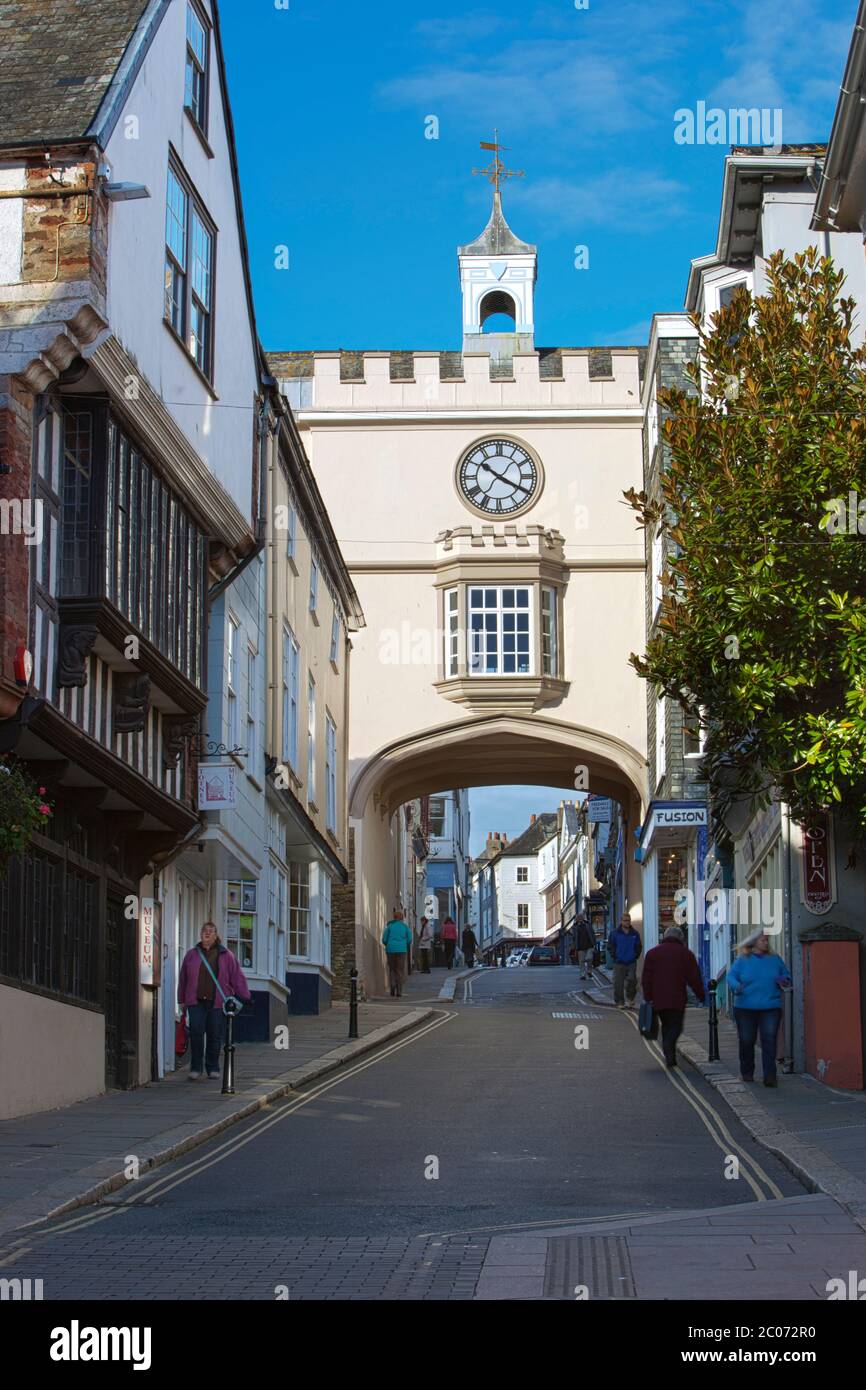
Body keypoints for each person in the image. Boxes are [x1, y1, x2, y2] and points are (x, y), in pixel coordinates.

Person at [177, 922, 252, 1080]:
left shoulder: (226, 955)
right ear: (200, 934)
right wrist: (181, 999)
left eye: (211, 931)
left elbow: (237, 976)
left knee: (214, 1035)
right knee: (196, 1034)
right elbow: (183, 978)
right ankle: (196, 1068)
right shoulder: (191, 955)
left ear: (216, 935)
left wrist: (245, 996)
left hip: (217, 1002)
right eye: (204, 931)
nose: (207, 933)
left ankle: (213, 1067)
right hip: (195, 1001)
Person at [728, 930, 792, 1088]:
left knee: (769, 1040)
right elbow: (731, 977)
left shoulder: (775, 959)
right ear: (754, 942)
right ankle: (747, 1073)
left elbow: (786, 975)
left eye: (767, 940)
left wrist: (783, 980)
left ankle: (770, 1076)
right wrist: (737, 986)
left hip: (770, 1006)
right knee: (747, 1040)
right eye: (763, 940)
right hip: (745, 1007)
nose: (766, 942)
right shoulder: (743, 960)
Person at [641, 925, 705, 1067]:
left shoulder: (652, 953)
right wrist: (701, 995)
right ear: (680, 938)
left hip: (658, 999)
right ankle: (669, 1047)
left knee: (666, 1025)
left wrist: (648, 996)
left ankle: (669, 1052)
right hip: (677, 998)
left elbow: (646, 978)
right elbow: (694, 978)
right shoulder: (685, 954)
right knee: (676, 1026)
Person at [608, 911, 642, 1008]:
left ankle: (630, 998)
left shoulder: (635, 933)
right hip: (619, 962)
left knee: (632, 981)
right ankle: (620, 1002)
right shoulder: (615, 933)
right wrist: (614, 955)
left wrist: (635, 956)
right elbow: (610, 946)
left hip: (631, 962)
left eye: (629, 920)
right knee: (618, 983)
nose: (627, 922)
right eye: (625, 920)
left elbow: (638, 946)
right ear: (621, 921)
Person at [382, 908, 413, 997]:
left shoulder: (390, 926)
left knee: (392, 969)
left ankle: (392, 986)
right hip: (401, 950)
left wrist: (388, 944)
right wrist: (404, 944)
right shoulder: (405, 927)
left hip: (390, 949)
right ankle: (399, 991)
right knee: (400, 970)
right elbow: (409, 939)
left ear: (394, 917)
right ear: (402, 918)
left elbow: (384, 939)